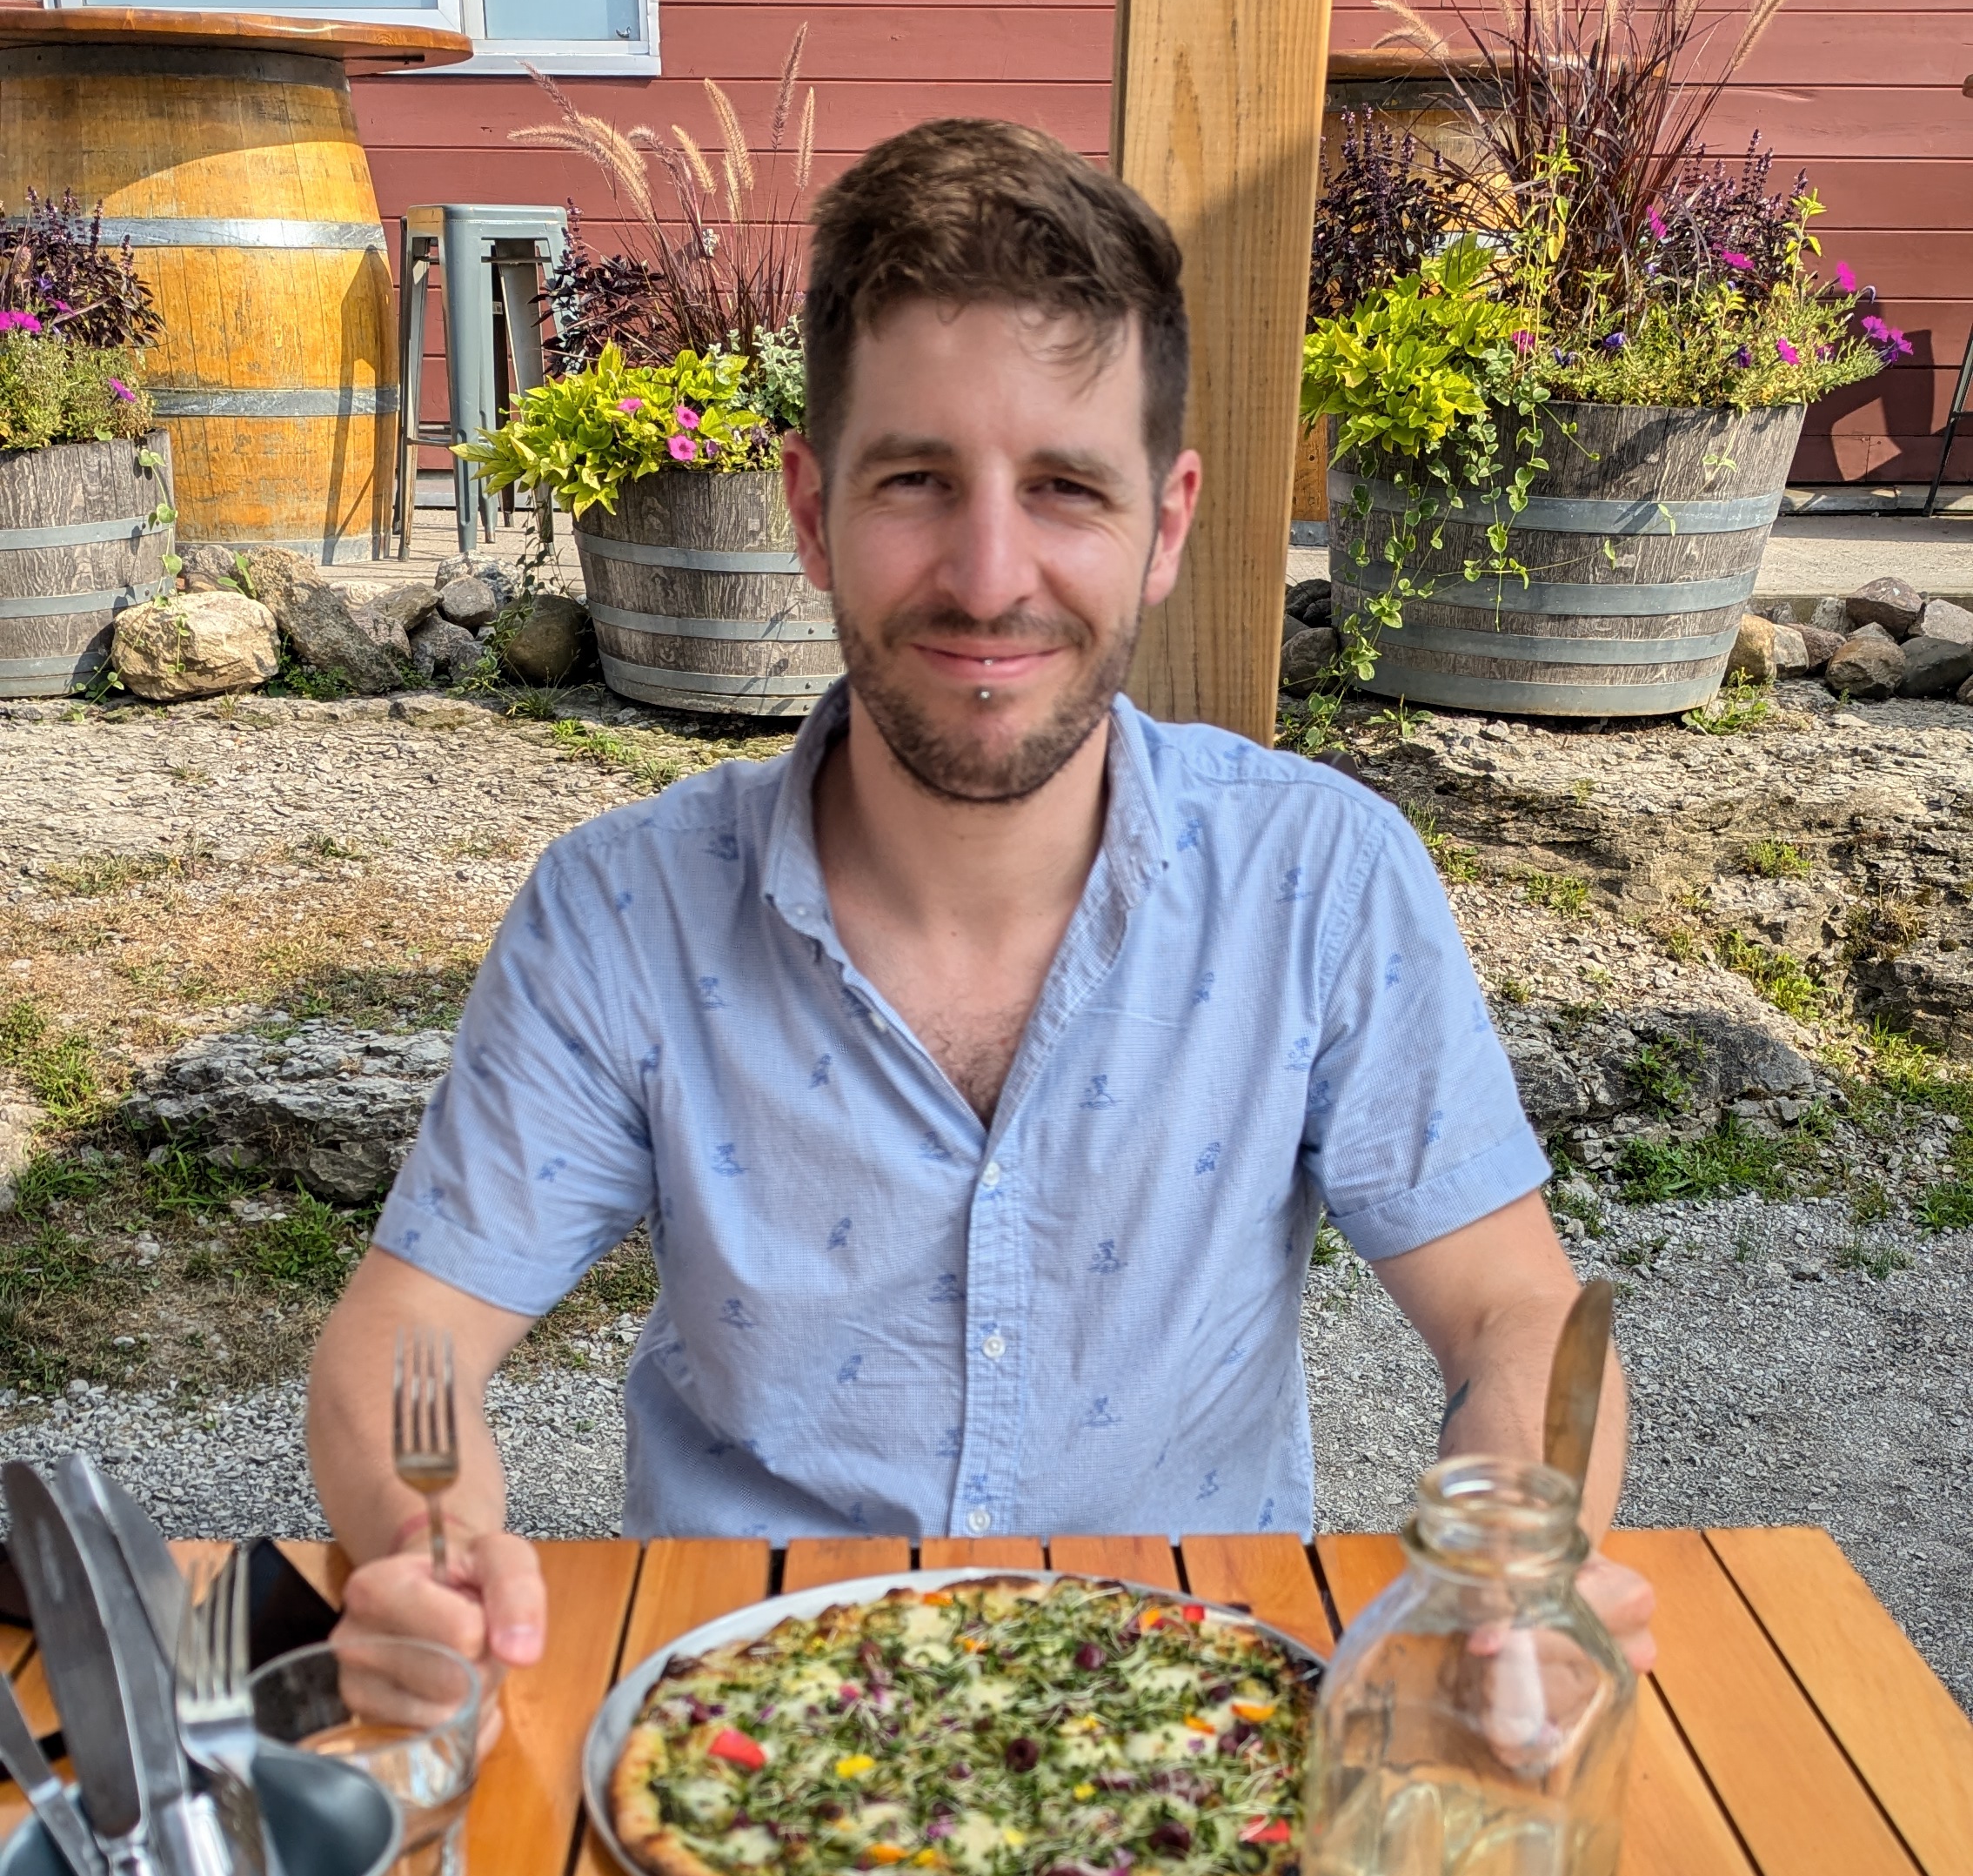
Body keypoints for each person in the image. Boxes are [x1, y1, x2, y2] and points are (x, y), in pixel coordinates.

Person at [309, 117, 1654, 1683]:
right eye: (919, 481)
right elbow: (406, 1343)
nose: (991, 572)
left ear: (1167, 522)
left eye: (1069, 488)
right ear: (810, 512)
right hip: (745, 1710)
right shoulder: (621, 913)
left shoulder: (1323, 879)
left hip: (1178, 1726)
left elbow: (1518, 1319)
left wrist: (1523, 1559)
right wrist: (426, 1537)